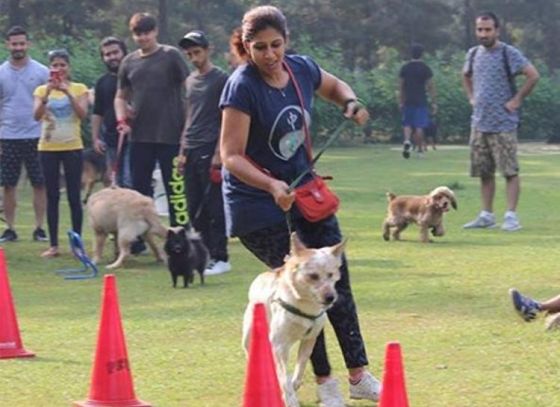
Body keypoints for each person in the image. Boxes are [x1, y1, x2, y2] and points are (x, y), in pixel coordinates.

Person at [219, 5, 380, 405]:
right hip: (256, 205)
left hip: (306, 196)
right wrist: (272, 183)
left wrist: (350, 101)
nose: (270, 55)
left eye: (276, 45)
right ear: (245, 46)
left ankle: (359, 375)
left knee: (332, 281)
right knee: (305, 294)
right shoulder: (241, 87)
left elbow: (335, 85)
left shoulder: (300, 68)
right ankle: (326, 386)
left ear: (287, 42)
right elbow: (231, 155)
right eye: (259, 47)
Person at [462, 11, 539, 231]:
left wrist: (517, 99)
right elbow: (465, 75)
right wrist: (471, 97)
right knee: (484, 172)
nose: (483, 34)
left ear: (497, 30)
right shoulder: (473, 53)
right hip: (479, 123)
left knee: (509, 171)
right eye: (480, 29)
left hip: (503, 123)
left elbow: (533, 75)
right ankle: (486, 215)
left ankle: (511, 216)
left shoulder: (508, 53)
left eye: (488, 30)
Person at [115, 12, 190, 227]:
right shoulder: (128, 62)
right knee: (138, 191)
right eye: (138, 34)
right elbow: (120, 97)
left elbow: (190, 87)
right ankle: (139, 237)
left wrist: (189, 123)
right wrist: (122, 117)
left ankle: (181, 235)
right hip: (140, 136)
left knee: (175, 189)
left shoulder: (171, 55)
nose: (143, 38)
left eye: (147, 33)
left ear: (155, 32)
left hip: (171, 135)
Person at [177, 30, 231, 276]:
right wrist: (182, 151)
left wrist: (220, 152)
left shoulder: (221, 79)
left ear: (208, 50)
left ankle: (221, 257)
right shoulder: (189, 80)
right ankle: (205, 255)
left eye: (197, 52)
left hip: (212, 148)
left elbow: (227, 118)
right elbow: (189, 117)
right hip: (191, 148)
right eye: (189, 53)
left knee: (214, 207)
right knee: (194, 207)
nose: (193, 57)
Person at [33, 49, 89, 257]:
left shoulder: (79, 88)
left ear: (68, 67)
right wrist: (48, 93)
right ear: (50, 69)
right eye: (54, 66)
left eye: (62, 65)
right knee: (52, 195)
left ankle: (77, 243)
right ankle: (54, 244)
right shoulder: (40, 90)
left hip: (72, 147)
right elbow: (36, 116)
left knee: (74, 196)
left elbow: (82, 114)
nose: (58, 70)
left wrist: (67, 92)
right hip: (47, 149)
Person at [0, 26, 49, 243]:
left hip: (36, 134)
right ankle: (10, 228)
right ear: (7, 45)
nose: (18, 47)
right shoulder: (1, 72)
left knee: (39, 183)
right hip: (8, 135)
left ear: (28, 44)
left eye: (22, 43)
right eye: (14, 43)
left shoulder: (41, 72)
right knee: (8, 184)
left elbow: (51, 102)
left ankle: (39, 228)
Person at [92, 36, 132, 188]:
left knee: (130, 180)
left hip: (134, 139)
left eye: (116, 52)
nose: (112, 57)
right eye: (107, 55)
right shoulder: (102, 82)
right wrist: (95, 138)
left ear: (124, 52)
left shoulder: (134, 77)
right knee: (115, 182)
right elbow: (97, 112)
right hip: (111, 140)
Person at [398, 43, 437, 159]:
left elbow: (400, 87)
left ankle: (407, 141)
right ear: (422, 54)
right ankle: (420, 151)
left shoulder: (405, 68)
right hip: (421, 101)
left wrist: (400, 101)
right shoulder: (425, 68)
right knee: (420, 126)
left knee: (407, 124)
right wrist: (434, 102)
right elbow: (431, 86)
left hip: (408, 100)